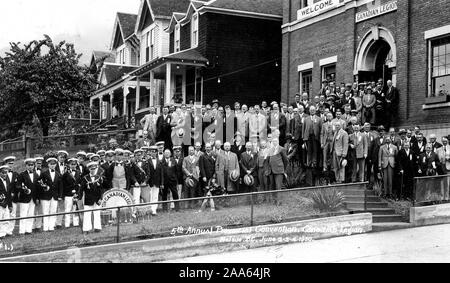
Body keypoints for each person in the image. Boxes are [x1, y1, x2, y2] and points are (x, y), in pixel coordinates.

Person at [38, 157, 63, 232]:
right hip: (45, 196)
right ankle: (45, 228)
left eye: (54, 164)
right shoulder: (44, 173)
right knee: (45, 212)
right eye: (51, 164)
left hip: (55, 196)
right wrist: (44, 187)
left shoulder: (58, 174)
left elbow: (60, 186)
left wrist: (60, 196)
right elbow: (39, 182)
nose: (52, 165)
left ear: (55, 165)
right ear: (48, 165)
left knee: (53, 211)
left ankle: (51, 227)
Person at [16, 158, 40, 235]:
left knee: (30, 214)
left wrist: (37, 198)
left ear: (34, 165)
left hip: (33, 198)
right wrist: (24, 189)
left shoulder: (36, 175)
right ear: (26, 165)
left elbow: (37, 188)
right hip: (24, 198)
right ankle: (22, 231)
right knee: (23, 215)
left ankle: (28, 230)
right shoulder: (22, 175)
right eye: (29, 165)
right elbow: (18, 185)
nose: (30, 166)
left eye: (32, 165)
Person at [80, 162, 104, 233]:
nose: (92, 170)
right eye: (91, 169)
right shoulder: (85, 178)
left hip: (97, 199)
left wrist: (101, 198)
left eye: (94, 169)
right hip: (88, 199)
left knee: (97, 213)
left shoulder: (99, 177)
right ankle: (87, 229)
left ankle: (97, 227)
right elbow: (81, 189)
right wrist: (79, 197)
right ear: (89, 169)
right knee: (87, 214)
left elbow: (101, 189)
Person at [62, 158, 81, 228]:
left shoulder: (79, 172)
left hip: (76, 193)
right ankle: (67, 223)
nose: (73, 165)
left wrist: (78, 192)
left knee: (75, 208)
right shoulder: (66, 173)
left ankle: (75, 223)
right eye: (72, 164)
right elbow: (63, 184)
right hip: (68, 193)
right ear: (69, 165)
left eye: (74, 164)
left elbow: (79, 182)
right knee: (67, 209)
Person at [267, 138, 288, 203]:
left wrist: (283, 169)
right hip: (271, 171)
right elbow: (268, 160)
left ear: (278, 141)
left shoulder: (281, 149)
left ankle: (279, 201)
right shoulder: (270, 150)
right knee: (272, 185)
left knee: (278, 186)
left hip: (279, 170)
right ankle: (274, 200)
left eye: (275, 141)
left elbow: (286, 160)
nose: (274, 142)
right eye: (273, 141)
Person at [303, 106, 322, 170]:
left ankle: (314, 162)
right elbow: (304, 128)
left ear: (315, 111)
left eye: (313, 110)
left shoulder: (319, 119)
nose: (312, 111)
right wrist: (303, 137)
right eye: (311, 110)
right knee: (309, 150)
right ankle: (309, 162)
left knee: (315, 150)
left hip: (315, 137)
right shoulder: (306, 119)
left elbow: (321, 129)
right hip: (308, 137)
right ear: (309, 111)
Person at [147, 146, 163, 216]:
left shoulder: (159, 161)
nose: (153, 153)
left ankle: (154, 210)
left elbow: (161, 173)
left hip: (157, 182)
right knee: (150, 195)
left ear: (156, 153)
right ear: (150, 153)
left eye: (155, 152)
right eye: (152, 152)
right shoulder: (148, 161)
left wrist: (162, 183)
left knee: (155, 196)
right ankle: (149, 210)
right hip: (150, 182)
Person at [0, 165, 13, 238]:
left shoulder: (7, 181)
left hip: (6, 203)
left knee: (6, 218)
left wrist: (10, 205)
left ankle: (3, 233)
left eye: (6, 173)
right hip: (0, 203)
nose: (5, 174)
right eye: (3, 173)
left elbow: (9, 194)